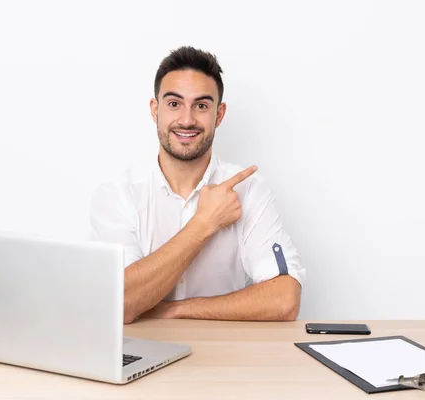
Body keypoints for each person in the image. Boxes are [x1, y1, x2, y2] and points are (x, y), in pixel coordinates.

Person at [90, 46, 305, 324]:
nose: (187, 119)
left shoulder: (249, 190)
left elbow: (284, 300)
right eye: (174, 104)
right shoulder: (117, 195)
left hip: (224, 358)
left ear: (219, 114)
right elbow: (122, 302)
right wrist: (204, 224)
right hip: (140, 357)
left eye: (201, 106)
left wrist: (178, 309)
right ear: (155, 110)